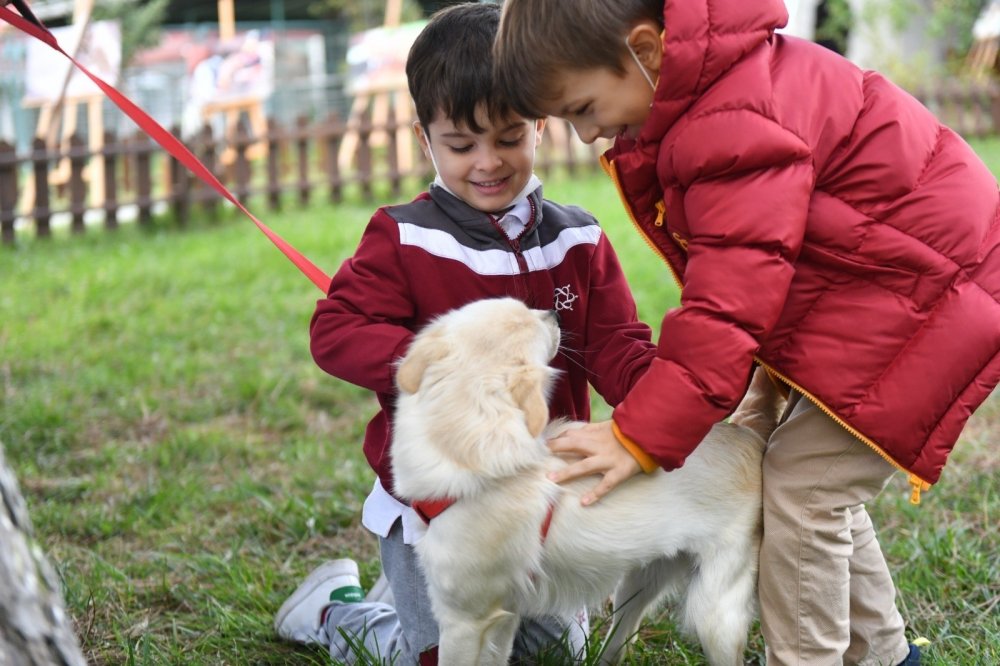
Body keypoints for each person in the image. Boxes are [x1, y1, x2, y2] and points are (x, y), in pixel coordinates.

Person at [493, 1, 1000, 665]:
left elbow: (727, 304)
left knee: (805, 487)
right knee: (808, 479)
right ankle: (883, 655)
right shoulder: (726, 93)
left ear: (645, 52)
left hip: (928, 304)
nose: (588, 134)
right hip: (887, 298)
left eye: (583, 108)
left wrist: (638, 434)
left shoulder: (732, 122)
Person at [272, 3, 656, 664]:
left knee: (552, 658)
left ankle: (402, 605)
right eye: (460, 145)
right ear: (425, 139)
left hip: (542, 505)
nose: (487, 163)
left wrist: (668, 398)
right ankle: (336, 613)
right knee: (444, 656)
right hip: (437, 509)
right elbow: (334, 330)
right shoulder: (403, 237)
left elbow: (617, 343)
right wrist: (440, 363)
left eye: (509, 137)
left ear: (541, 122)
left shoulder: (578, 238)